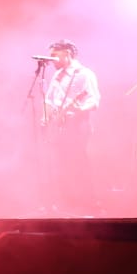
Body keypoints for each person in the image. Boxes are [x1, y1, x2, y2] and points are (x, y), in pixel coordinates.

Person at [40, 38, 102, 215]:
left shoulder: (84, 74)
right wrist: (45, 116)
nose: (51, 60)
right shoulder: (57, 76)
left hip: (78, 125)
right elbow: (49, 99)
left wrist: (77, 110)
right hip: (60, 126)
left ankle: (90, 203)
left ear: (67, 54)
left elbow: (94, 100)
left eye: (54, 56)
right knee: (61, 165)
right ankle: (68, 204)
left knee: (78, 163)